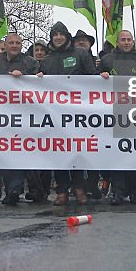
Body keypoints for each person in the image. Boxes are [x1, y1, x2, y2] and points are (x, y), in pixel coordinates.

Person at [37, 21, 97, 205]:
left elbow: (92, 76)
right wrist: (38, 78)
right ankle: (62, 189)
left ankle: (79, 187)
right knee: (58, 150)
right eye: (55, 35)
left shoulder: (80, 54)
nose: (58, 38)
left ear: (66, 36)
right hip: (55, 113)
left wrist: (101, 78)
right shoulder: (46, 60)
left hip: (78, 112)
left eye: (61, 34)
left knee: (77, 149)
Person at [100, 29, 136, 204]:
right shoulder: (107, 60)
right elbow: (93, 83)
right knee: (119, 155)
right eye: (122, 39)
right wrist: (101, 76)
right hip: (115, 112)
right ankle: (118, 192)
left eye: (128, 40)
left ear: (133, 42)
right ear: (117, 42)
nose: (126, 42)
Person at [0, 31, 38, 205]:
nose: (14, 46)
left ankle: (14, 189)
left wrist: (27, 79)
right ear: (6, 44)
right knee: (6, 155)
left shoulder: (30, 62)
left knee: (19, 153)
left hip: (24, 115)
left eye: (17, 43)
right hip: (2, 115)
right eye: (11, 43)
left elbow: (40, 84)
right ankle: (11, 188)